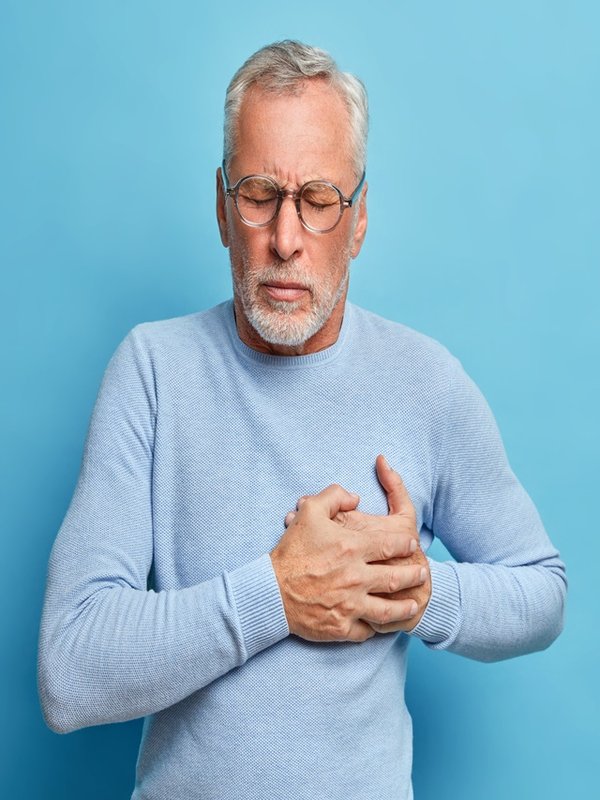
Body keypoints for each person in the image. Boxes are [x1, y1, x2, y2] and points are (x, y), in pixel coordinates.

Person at [38, 40, 566, 800]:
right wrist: (277, 595)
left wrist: (415, 593)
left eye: (318, 201)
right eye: (259, 194)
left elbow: (543, 594)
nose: (285, 240)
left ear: (359, 219)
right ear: (222, 207)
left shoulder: (427, 383)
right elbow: (70, 671)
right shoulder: (152, 371)